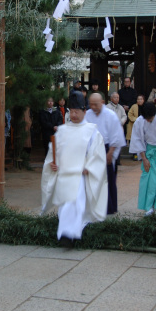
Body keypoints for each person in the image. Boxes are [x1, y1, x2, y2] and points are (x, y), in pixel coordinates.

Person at [40, 91, 107, 246]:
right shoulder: (63, 131)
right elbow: (54, 153)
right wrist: (53, 164)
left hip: (81, 175)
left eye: (77, 111)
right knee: (65, 203)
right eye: (72, 111)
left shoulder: (92, 132)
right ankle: (66, 233)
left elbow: (97, 155)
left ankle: (72, 232)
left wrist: (89, 167)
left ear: (84, 112)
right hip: (65, 173)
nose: (74, 115)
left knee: (77, 202)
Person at [85, 92, 126, 214]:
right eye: (91, 104)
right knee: (92, 179)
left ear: (102, 103)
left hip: (107, 148)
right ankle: (93, 207)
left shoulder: (110, 115)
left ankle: (110, 207)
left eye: (96, 104)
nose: (93, 107)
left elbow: (116, 135)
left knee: (108, 180)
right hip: (92, 149)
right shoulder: (87, 115)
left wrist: (111, 153)